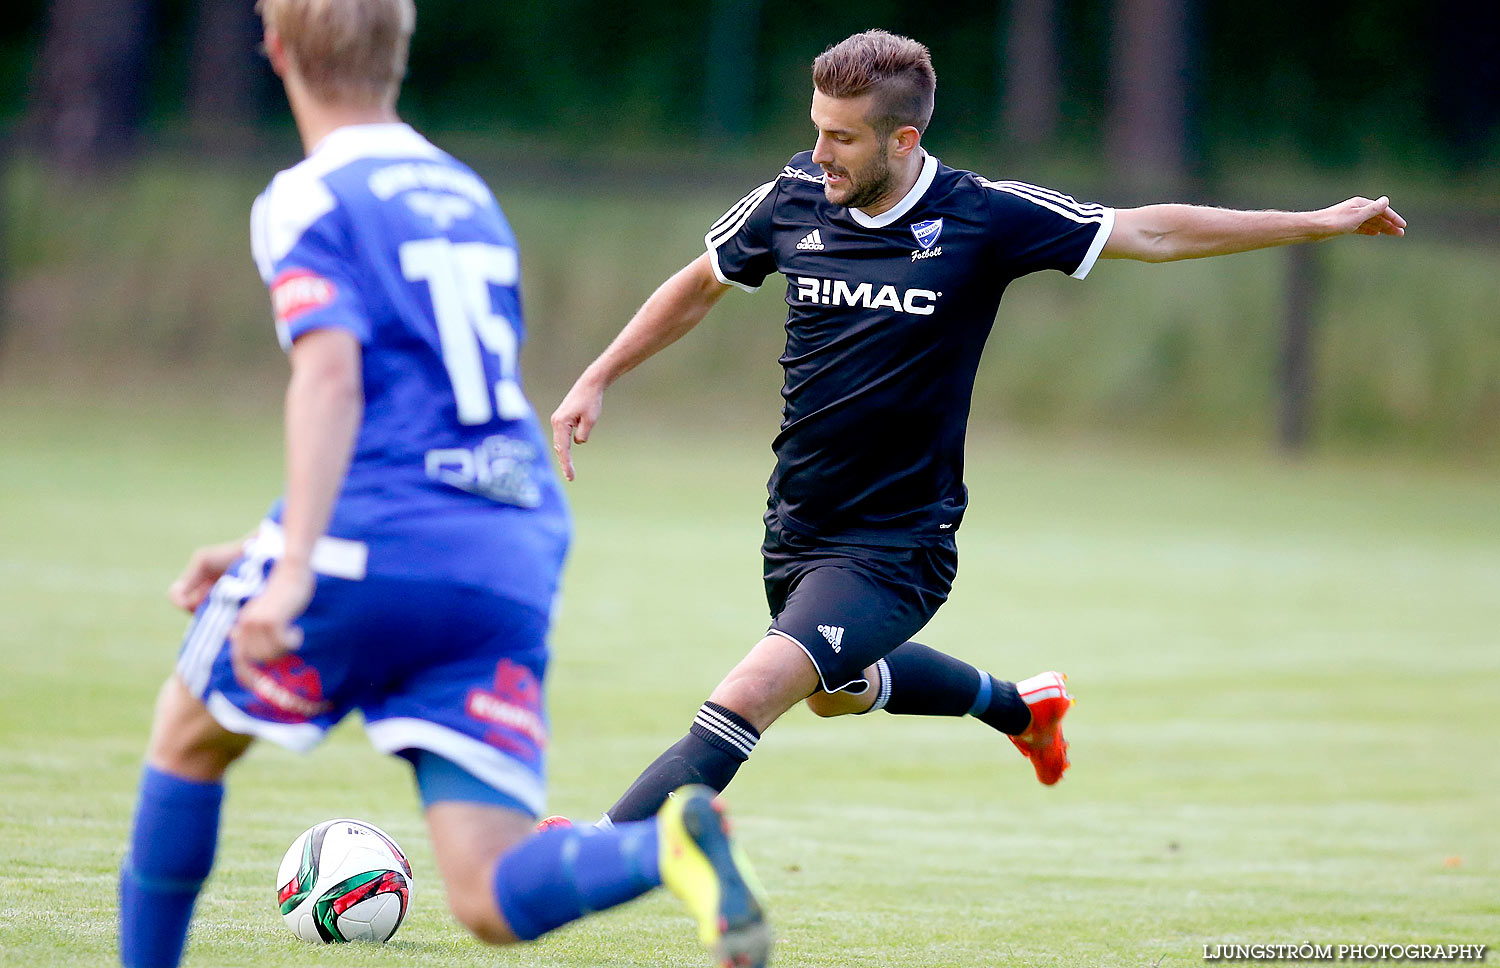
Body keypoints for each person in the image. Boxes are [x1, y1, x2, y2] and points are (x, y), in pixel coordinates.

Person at [549, 28, 1406, 828]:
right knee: (832, 690)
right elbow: (700, 282)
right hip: (796, 521)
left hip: (898, 542)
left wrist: (1318, 221)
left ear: (902, 140)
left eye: (842, 138)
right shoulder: (794, 197)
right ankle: (1021, 709)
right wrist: (597, 376)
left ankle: (580, 855)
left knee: (753, 690)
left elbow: (1152, 230)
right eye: (816, 129)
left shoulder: (982, 217)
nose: (819, 154)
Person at [116, 2, 770, 967]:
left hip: (376, 533)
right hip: (505, 538)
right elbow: (436, 405)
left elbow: (333, 378)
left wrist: (291, 568)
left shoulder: (305, 195)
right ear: (398, 54)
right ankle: (665, 845)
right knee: (487, 891)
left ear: (276, 49)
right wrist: (274, 543)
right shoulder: (466, 193)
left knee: (186, 737)